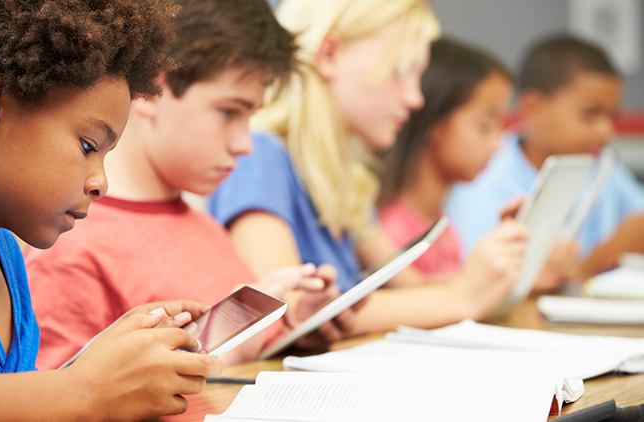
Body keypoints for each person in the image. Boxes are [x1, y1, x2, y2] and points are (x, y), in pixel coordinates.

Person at [0, 1, 222, 420]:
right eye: (88, 147)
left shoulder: (5, 255)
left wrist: (104, 369)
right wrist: (82, 390)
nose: (100, 182)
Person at [25, 0, 343, 370]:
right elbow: (67, 396)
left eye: (249, 116)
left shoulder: (204, 229)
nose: (245, 144)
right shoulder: (69, 244)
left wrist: (292, 323)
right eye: (228, 112)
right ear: (151, 92)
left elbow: (239, 355)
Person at [209, 0, 529, 333]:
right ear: (329, 54)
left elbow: (414, 287)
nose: (415, 99)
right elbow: (287, 311)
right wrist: (464, 297)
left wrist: (491, 272)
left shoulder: (344, 181)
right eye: (402, 71)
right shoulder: (258, 156)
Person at [446, 34, 644, 279]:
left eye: (612, 116)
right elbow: (475, 275)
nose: (606, 131)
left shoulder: (599, 164)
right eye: (590, 114)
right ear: (533, 108)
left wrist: (582, 269)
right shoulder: (484, 172)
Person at [377, 37, 514, 279]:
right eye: (485, 126)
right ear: (434, 122)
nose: (497, 146)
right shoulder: (389, 229)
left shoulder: (444, 227)